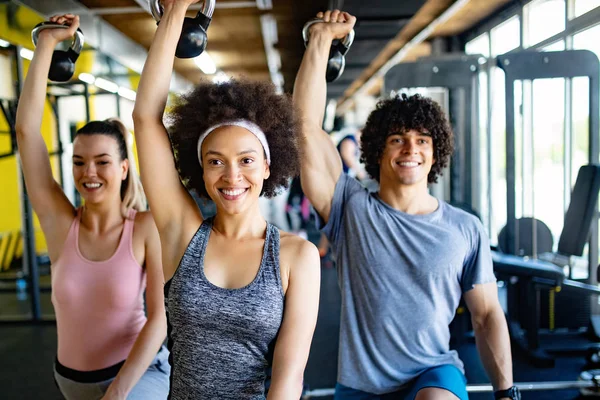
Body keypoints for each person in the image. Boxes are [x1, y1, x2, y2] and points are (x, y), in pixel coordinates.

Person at [294, 10, 516, 400]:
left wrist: (506, 392)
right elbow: (306, 128)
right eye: (398, 139)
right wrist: (320, 39)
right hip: (361, 384)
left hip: (433, 373)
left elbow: (485, 315)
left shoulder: (465, 228)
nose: (411, 148)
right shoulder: (350, 207)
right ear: (378, 151)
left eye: (423, 140)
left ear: (435, 154)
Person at [131, 1, 320, 399]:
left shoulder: (296, 256)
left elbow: (289, 378)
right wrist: (175, 13)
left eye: (247, 160)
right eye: (215, 161)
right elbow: (146, 118)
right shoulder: (181, 234)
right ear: (200, 169)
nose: (232, 175)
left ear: (268, 167)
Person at [15, 14, 169, 400]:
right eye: (79, 162)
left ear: (123, 168)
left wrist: (117, 393)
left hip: (136, 376)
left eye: (102, 161)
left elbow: (160, 319)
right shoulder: (59, 224)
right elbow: (26, 132)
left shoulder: (145, 227)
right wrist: (46, 45)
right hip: (70, 382)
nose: (89, 172)